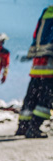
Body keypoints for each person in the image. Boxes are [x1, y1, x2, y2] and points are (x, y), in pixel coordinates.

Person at [17, 5, 53, 138]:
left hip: (38, 59)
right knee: (45, 96)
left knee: (33, 93)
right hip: (50, 61)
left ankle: (23, 126)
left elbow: (36, 33)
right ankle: (34, 128)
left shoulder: (48, 11)